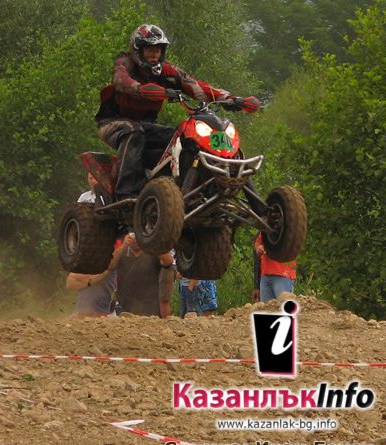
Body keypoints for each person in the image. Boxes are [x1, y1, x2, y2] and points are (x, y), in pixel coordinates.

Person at [95, 24, 260, 200]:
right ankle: (126, 193)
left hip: (147, 125)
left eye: (158, 49)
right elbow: (120, 80)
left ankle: (182, 187)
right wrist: (141, 89)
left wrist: (231, 99)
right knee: (134, 132)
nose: (154, 54)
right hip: (113, 122)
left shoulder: (166, 71)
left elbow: (197, 87)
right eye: (149, 49)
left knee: (184, 137)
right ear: (138, 50)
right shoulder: (125, 63)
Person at [114, 232, 174, 317]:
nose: (136, 241)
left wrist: (150, 244)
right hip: (125, 305)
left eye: (139, 237)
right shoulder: (123, 252)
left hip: (150, 307)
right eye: (134, 237)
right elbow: (110, 265)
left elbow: (168, 261)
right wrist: (123, 246)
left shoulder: (152, 253)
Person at [252, 232, 297, 303]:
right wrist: (259, 248)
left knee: (284, 306)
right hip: (265, 275)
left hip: (283, 275)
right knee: (267, 308)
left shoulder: (288, 228)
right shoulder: (265, 229)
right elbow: (257, 242)